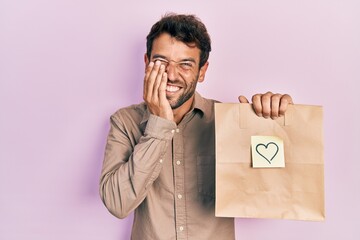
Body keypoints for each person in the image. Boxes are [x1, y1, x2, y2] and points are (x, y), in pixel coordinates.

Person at [99, 13, 293, 240]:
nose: (171, 75)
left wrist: (273, 119)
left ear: (202, 71)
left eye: (185, 64)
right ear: (146, 63)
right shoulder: (124, 122)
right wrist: (159, 125)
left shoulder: (228, 121)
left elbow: (268, 190)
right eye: (161, 62)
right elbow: (117, 203)